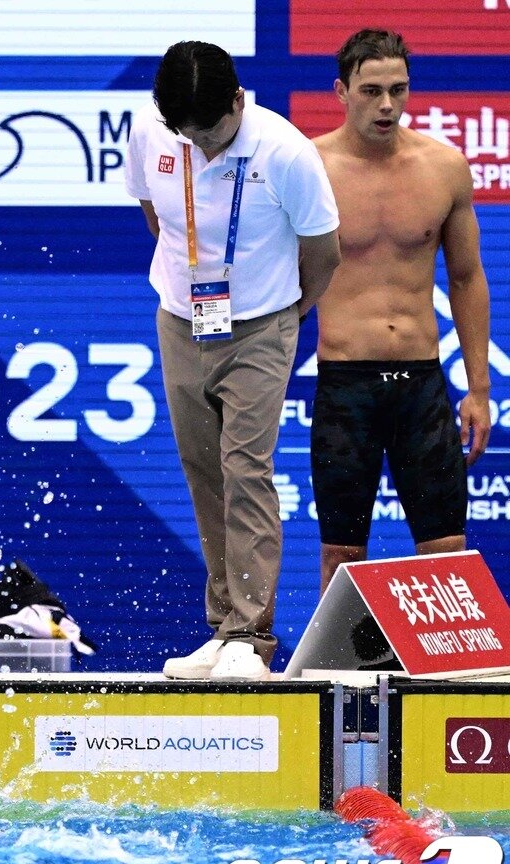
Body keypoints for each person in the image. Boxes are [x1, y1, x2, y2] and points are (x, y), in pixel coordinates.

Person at [125, 41, 342, 682]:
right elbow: (155, 215)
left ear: (239, 101)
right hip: (179, 321)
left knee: (245, 468)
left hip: (262, 327)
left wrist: (285, 316)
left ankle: (252, 633)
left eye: (214, 136)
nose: (204, 149)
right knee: (203, 472)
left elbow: (324, 252)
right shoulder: (150, 133)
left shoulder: (286, 153)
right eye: (187, 136)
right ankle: (222, 630)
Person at [311, 29, 491, 594]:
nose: (387, 105)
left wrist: (480, 389)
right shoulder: (310, 168)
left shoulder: (443, 167)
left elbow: (466, 277)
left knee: (445, 548)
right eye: (371, 91)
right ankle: (338, 679)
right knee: (342, 553)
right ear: (342, 91)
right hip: (346, 383)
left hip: (420, 383)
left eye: (398, 89)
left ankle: (445, 679)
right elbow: (272, 279)